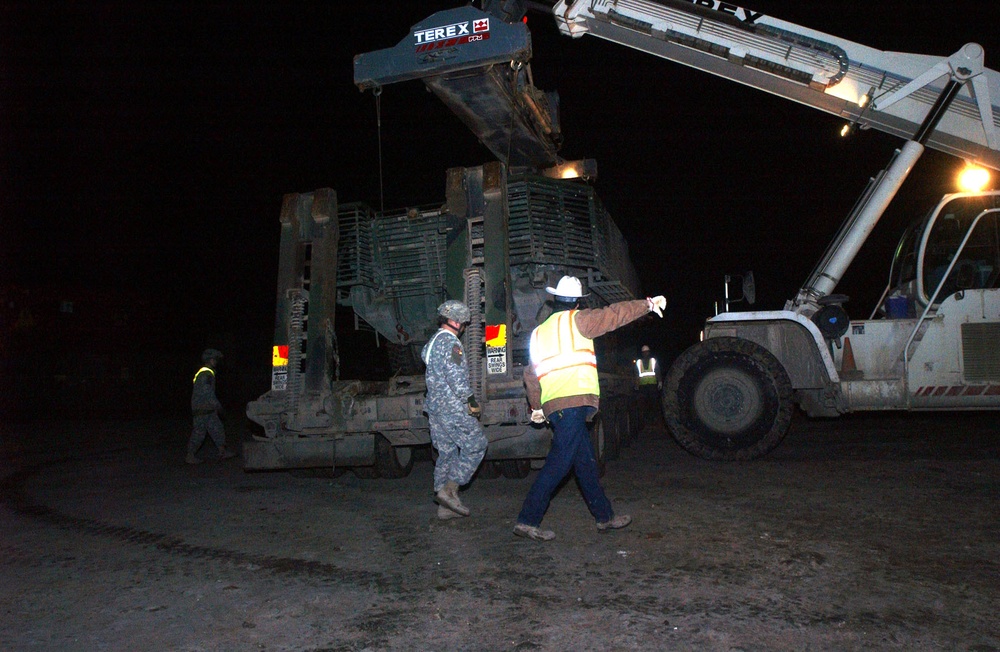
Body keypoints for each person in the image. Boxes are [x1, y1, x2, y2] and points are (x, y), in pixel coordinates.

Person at [514, 276, 667, 541]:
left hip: (555, 405)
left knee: (585, 464)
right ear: (575, 301)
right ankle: (527, 519)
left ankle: (604, 517)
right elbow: (614, 315)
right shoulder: (579, 321)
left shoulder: (539, 332)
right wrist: (648, 304)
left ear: (556, 299)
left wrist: (536, 407)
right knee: (559, 462)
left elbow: (530, 374)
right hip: (573, 401)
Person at [421, 300, 488, 520]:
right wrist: (471, 401)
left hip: (435, 409)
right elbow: (456, 378)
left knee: (447, 453)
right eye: (464, 324)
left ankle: (445, 507)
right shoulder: (451, 344)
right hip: (452, 408)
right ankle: (449, 489)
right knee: (477, 444)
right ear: (456, 322)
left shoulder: (431, 343)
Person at [186, 349, 236, 464]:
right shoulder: (206, 374)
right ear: (211, 360)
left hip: (207, 409)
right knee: (199, 434)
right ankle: (190, 455)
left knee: (217, 429)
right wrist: (218, 406)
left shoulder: (206, 373)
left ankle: (222, 451)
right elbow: (207, 394)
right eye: (215, 360)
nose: (216, 362)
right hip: (202, 408)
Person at [635, 344, 663, 429]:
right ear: (642, 353)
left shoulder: (653, 361)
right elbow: (637, 374)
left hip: (652, 385)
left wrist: (660, 381)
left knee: (653, 403)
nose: (645, 354)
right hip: (643, 386)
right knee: (645, 404)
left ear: (649, 352)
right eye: (644, 352)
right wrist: (636, 384)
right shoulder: (639, 362)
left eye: (646, 352)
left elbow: (657, 371)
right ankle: (647, 420)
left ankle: (653, 419)